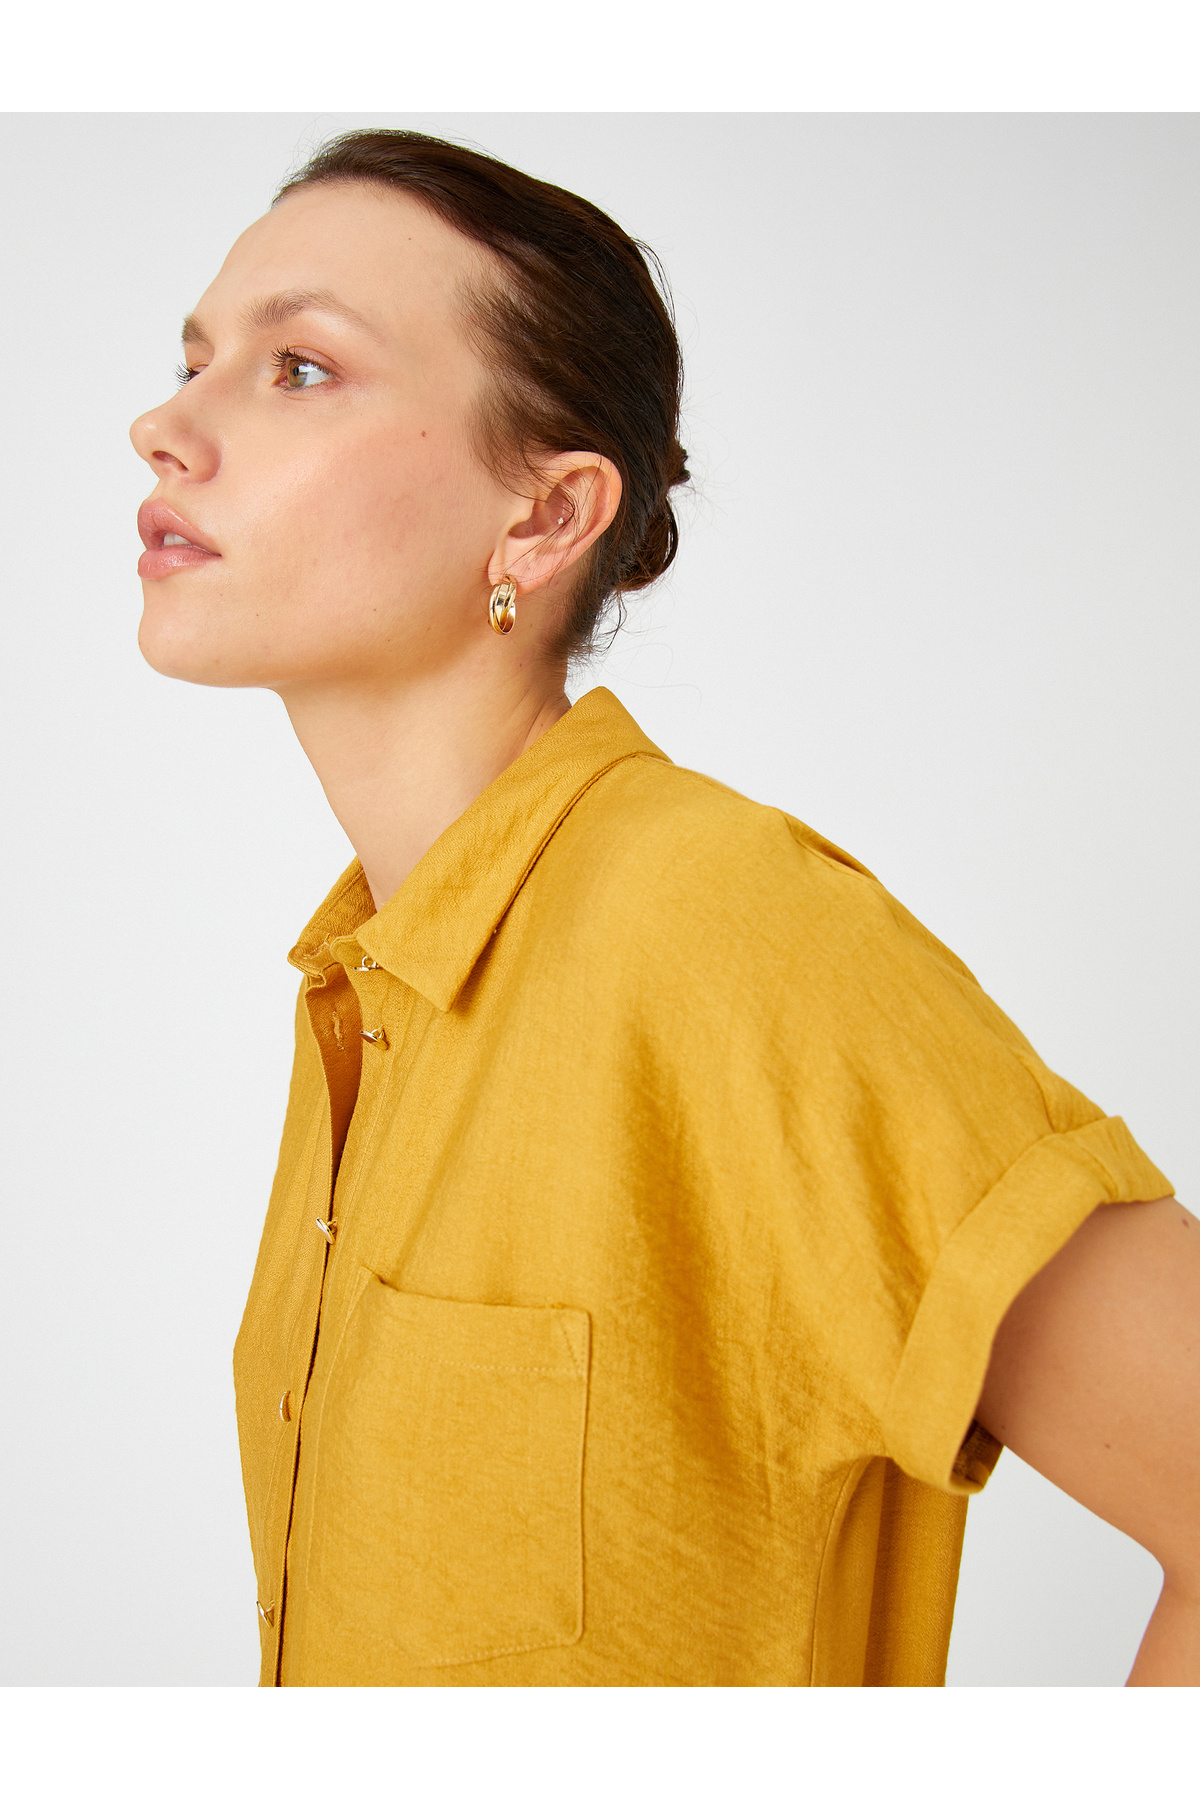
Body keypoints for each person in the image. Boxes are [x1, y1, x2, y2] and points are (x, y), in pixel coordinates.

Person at [130, 128, 1198, 1688]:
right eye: (194, 361)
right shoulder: (365, 988)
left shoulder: (726, 934)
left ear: (544, 519)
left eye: (299, 368)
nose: (163, 426)